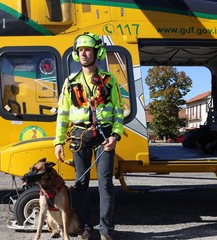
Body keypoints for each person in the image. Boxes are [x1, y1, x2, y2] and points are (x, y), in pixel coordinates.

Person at [54, 32, 124, 240]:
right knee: (80, 185)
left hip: (104, 138)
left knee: (105, 184)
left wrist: (115, 136)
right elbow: (62, 114)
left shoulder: (109, 81)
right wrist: (58, 141)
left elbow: (119, 111)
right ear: (77, 54)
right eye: (80, 50)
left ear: (96, 53)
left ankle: (106, 230)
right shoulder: (70, 82)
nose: (84, 54)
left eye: (88, 50)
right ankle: (86, 227)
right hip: (79, 136)